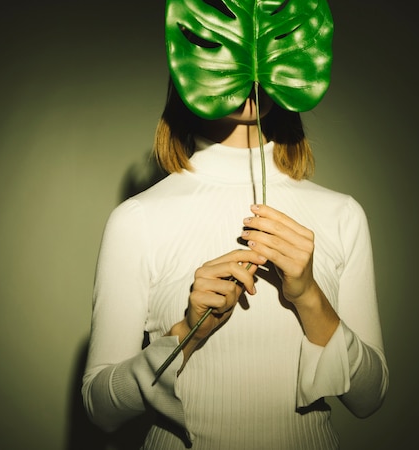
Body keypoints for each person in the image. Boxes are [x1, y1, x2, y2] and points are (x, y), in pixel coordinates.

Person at [81, 78, 389, 449]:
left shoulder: (342, 214)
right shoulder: (137, 218)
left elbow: (369, 399)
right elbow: (101, 409)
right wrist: (188, 330)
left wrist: (309, 296)